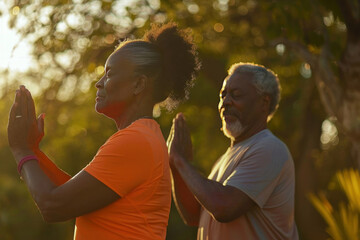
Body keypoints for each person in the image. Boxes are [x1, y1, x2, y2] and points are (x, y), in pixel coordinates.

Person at [7, 22, 199, 240]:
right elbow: (75, 197)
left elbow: (54, 205)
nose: (98, 83)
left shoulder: (136, 141)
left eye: (109, 74)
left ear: (138, 85)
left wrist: (21, 150)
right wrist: (34, 152)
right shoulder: (141, 136)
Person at [167, 62, 299, 239]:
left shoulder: (269, 148)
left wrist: (181, 162)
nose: (226, 102)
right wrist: (176, 167)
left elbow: (223, 207)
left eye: (236, 95)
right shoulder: (224, 159)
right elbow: (193, 216)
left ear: (264, 102)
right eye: (223, 95)